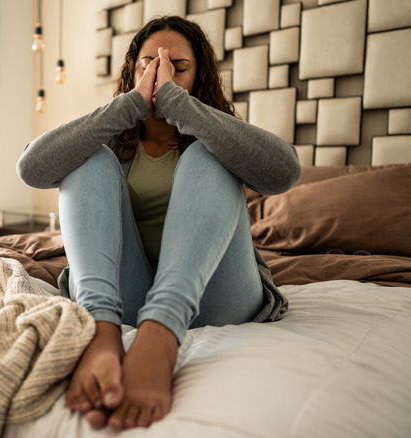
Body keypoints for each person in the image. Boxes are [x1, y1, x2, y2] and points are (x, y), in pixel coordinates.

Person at [16, 16, 301, 431]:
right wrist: (128, 105)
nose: (160, 73)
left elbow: (284, 173)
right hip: (126, 295)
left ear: (198, 77)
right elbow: (31, 168)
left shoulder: (216, 133)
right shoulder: (114, 136)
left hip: (218, 297)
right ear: (133, 71)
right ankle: (101, 329)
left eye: (177, 67)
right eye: (148, 64)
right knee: (89, 158)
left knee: (207, 154)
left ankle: (161, 330)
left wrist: (178, 103)